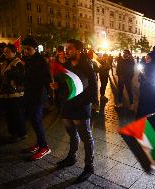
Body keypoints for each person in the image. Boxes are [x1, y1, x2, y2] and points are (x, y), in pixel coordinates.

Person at [50, 39, 97, 183]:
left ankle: (89, 166)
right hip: (66, 106)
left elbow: (93, 91)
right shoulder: (67, 65)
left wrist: (81, 103)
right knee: (72, 134)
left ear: (78, 50)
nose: (66, 51)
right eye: (66, 48)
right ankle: (72, 156)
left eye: (70, 48)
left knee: (86, 138)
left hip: (80, 108)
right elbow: (65, 83)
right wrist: (57, 86)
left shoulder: (87, 66)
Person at [21, 36, 51, 160]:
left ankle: (44, 147)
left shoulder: (40, 61)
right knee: (33, 120)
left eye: (28, 49)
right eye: (24, 49)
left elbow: (45, 79)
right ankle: (39, 143)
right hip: (29, 94)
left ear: (34, 48)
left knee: (37, 121)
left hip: (38, 95)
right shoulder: (28, 59)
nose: (25, 51)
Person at [0, 44, 27, 142]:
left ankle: (21, 134)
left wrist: (12, 77)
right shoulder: (4, 63)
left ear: (14, 52)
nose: (5, 53)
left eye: (8, 51)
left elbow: (22, 78)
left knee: (17, 115)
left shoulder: (19, 63)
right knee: (8, 115)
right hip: (5, 93)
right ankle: (13, 133)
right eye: (4, 51)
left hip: (15, 94)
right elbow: (0, 78)